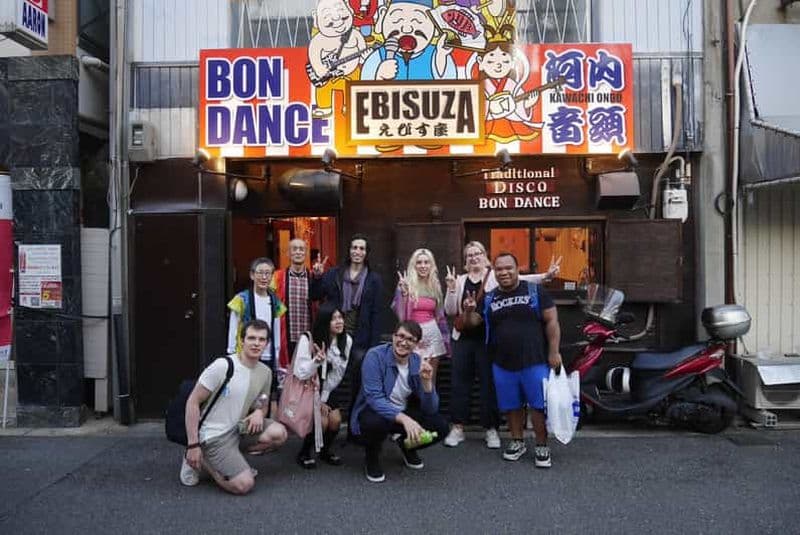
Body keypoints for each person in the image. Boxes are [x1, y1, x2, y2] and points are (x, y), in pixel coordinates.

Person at [442, 241, 560, 449]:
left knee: (495, 387)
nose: (474, 257)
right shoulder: (464, 283)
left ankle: (496, 430)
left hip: (496, 343)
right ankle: (461, 428)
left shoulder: (502, 279)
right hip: (471, 342)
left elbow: (523, 281)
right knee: (464, 384)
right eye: (469, 255)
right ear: (465, 260)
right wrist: (455, 294)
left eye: (477, 253)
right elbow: (453, 312)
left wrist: (546, 276)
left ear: (485, 257)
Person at [181, 320, 289, 494]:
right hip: (214, 435)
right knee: (244, 485)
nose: (256, 343)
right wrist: (193, 445)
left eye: (261, 339)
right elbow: (192, 402)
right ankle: (204, 460)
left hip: (239, 429)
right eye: (251, 338)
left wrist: (259, 413)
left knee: (279, 433)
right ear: (241, 340)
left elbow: (263, 402)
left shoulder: (265, 372)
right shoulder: (223, 366)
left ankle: (233, 462)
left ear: (267, 343)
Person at [482, 252, 562, 467]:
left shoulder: (535, 291)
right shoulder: (490, 297)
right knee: (511, 405)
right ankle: (517, 441)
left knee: (538, 405)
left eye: (508, 268)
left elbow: (552, 321)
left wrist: (554, 352)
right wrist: (470, 310)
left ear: (518, 269)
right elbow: (476, 323)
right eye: (499, 269)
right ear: (494, 272)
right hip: (502, 362)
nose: (504, 272)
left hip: (534, 360)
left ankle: (542, 444)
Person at [349, 320, 450, 483]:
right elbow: (374, 399)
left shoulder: (417, 362)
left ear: (416, 344)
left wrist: (427, 384)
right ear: (393, 337)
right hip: (374, 412)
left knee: (441, 427)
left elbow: (431, 409)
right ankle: (372, 456)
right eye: (400, 336)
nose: (403, 342)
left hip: (402, 412)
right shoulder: (375, 356)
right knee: (375, 422)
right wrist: (405, 420)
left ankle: (406, 445)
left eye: (410, 339)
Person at [292, 302, 353, 469]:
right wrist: (316, 362)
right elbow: (300, 372)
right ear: (324, 321)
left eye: (340, 317)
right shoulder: (308, 339)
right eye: (333, 318)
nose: (339, 322)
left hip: (328, 387)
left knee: (335, 421)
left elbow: (339, 373)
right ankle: (304, 452)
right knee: (323, 422)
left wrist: (323, 399)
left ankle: (325, 450)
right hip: (308, 387)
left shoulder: (346, 340)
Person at [314, 233, 383, 365]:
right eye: (354, 247)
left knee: (356, 372)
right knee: (333, 371)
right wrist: (317, 277)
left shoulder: (374, 280)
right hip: (335, 335)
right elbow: (316, 295)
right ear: (349, 250)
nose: (357, 251)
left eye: (362, 248)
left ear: (366, 253)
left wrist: (374, 347)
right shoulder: (334, 274)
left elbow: (376, 314)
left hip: (361, 337)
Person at [227, 258, 286, 391]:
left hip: (268, 355)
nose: (264, 277)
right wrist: (232, 353)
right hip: (245, 355)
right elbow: (233, 328)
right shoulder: (241, 300)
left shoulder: (275, 301)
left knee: (265, 394)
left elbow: (276, 330)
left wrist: (277, 355)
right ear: (252, 275)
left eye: (268, 273)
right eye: (260, 273)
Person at [391, 248, 450, 382]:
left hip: (432, 334)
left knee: (430, 378)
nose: (423, 266)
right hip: (412, 334)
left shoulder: (435, 285)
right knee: (411, 377)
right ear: (414, 265)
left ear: (431, 265)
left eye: (426, 262)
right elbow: (401, 317)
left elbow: (440, 315)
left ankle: (429, 396)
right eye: (419, 262)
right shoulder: (405, 284)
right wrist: (403, 294)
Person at [360, 0, 456, 81]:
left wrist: (441, 57)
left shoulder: (438, 54)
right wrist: (379, 77)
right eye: (397, 20)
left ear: (435, 25)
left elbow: (451, 84)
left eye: (418, 21)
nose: (407, 29)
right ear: (382, 16)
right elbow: (361, 89)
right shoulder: (377, 58)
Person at [272, 239, 324, 380]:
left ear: (306, 253)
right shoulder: (277, 277)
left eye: (301, 249)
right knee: (286, 376)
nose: (298, 252)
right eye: (294, 249)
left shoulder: (313, 277)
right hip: (286, 335)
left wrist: (319, 277)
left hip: (308, 335)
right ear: (288, 253)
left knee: (307, 376)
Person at [308, 0, 368, 118]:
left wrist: (364, 58)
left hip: (352, 71)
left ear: (350, 10)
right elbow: (313, 54)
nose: (339, 24)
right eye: (329, 23)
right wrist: (319, 69)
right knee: (323, 89)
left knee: (355, 85)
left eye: (344, 18)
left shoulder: (355, 34)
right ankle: (324, 106)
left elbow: (363, 49)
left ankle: (350, 105)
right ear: (316, 19)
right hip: (329, 75)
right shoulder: (318, 40)